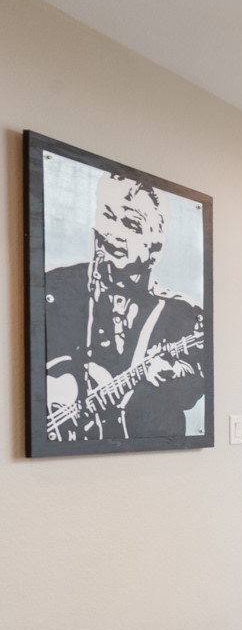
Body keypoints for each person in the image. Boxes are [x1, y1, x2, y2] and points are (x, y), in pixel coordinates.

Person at [41, 172, 206, 442]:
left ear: (156, 247)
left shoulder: (183, 313)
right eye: (107, 216)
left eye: (131, 224)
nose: (113, 233)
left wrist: (172, 375)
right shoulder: (55, 286)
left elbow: (192, 393)